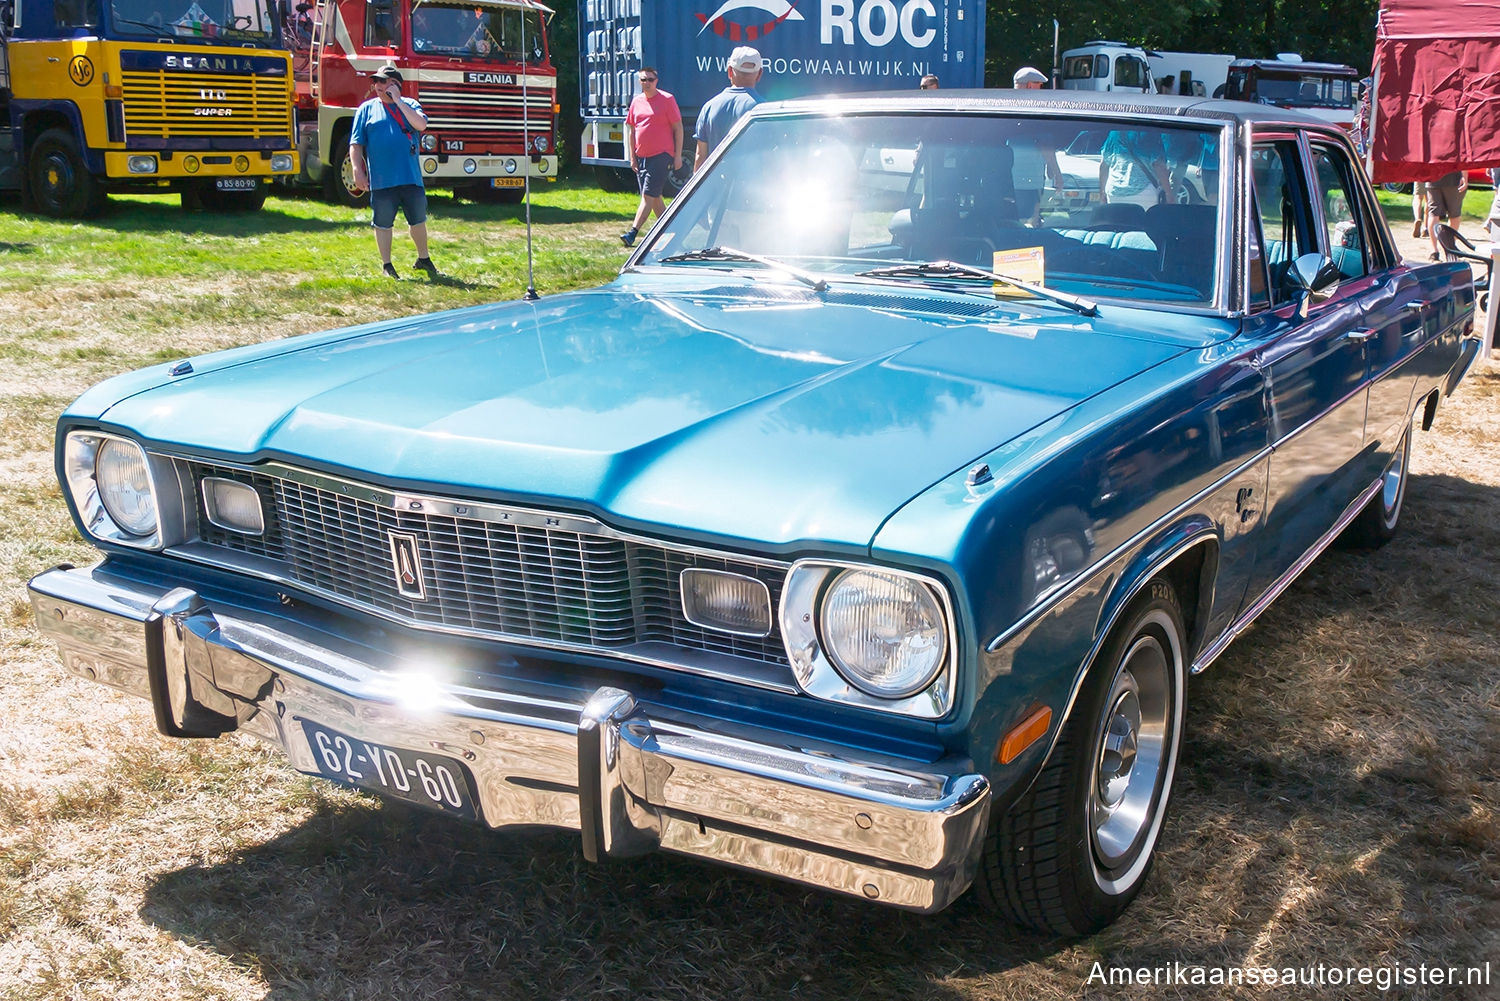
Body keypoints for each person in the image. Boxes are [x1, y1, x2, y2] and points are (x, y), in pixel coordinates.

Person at [349, 66, 437, 279]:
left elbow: (421, 124)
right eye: (376, 82)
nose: (377, 86)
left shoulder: (411, 105)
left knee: (417, 219)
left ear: (396, 85)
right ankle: (387, 265)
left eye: (383, 82)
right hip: (381, 180)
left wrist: (398, 101)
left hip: (410, 177)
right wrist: (357, 170)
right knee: (383, 222)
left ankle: (423, 258)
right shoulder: (366, 109)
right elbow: (356, 143)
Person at [619, 67, 682, 248]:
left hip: (662, 155)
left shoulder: (667, 100)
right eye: (643, 80)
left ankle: (632, 233)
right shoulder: (636, 102)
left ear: (657, 80)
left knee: (647, 196)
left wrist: (677, 156)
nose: (647, 83)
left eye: (650, 80)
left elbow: (678, 128)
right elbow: (632, 130)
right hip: (642, 156)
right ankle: (670, 232)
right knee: (655, 198)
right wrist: (632, 157)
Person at [693, 46, 762, 172]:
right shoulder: (762, 110)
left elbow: (700, 156)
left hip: (718, 186)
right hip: (751, 186)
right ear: (759, 74)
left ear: (730, 71)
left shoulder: (709, 107)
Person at [1098, 129, 1170, 207]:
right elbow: (1159, 165)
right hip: (1144, 192)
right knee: (1145, 219)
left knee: (1118, 219)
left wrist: (1102, 193)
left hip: (1114, 192)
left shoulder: (1114, 134)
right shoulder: (1150, 133)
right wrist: (1168, 193)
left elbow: (1104, 165)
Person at [1426, 170, 1466, 260]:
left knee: (1433, 213)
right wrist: (1464, 177)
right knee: (1454, 214)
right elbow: (1462, 157)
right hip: (1453, 178)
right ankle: (1450, 247)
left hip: (1432, 176)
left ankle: (1434, 251)